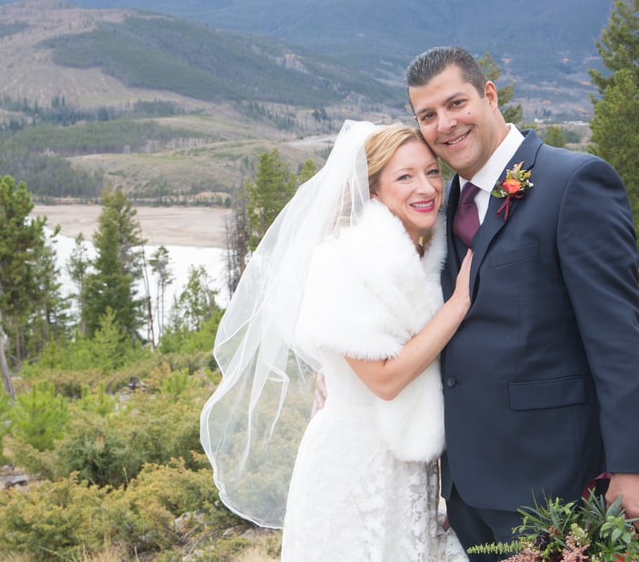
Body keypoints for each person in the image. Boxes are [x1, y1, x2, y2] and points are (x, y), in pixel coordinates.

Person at [405, 46, 639, 559]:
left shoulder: (573, 183)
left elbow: (618, 338)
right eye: (427, 116)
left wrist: (637, 467)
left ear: (488, 95)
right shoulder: (437, 206)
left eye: (456, 103)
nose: (445, 125)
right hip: (465, 494)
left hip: (554, 485)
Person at [200, 121, 471, 561]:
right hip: (352, 461)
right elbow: (384, 380)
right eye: (405, 176)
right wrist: (458, 304)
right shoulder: (341, 258)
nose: (426, 187)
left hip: (410, 465)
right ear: (374, 190)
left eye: (432, 171)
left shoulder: (427, 255)